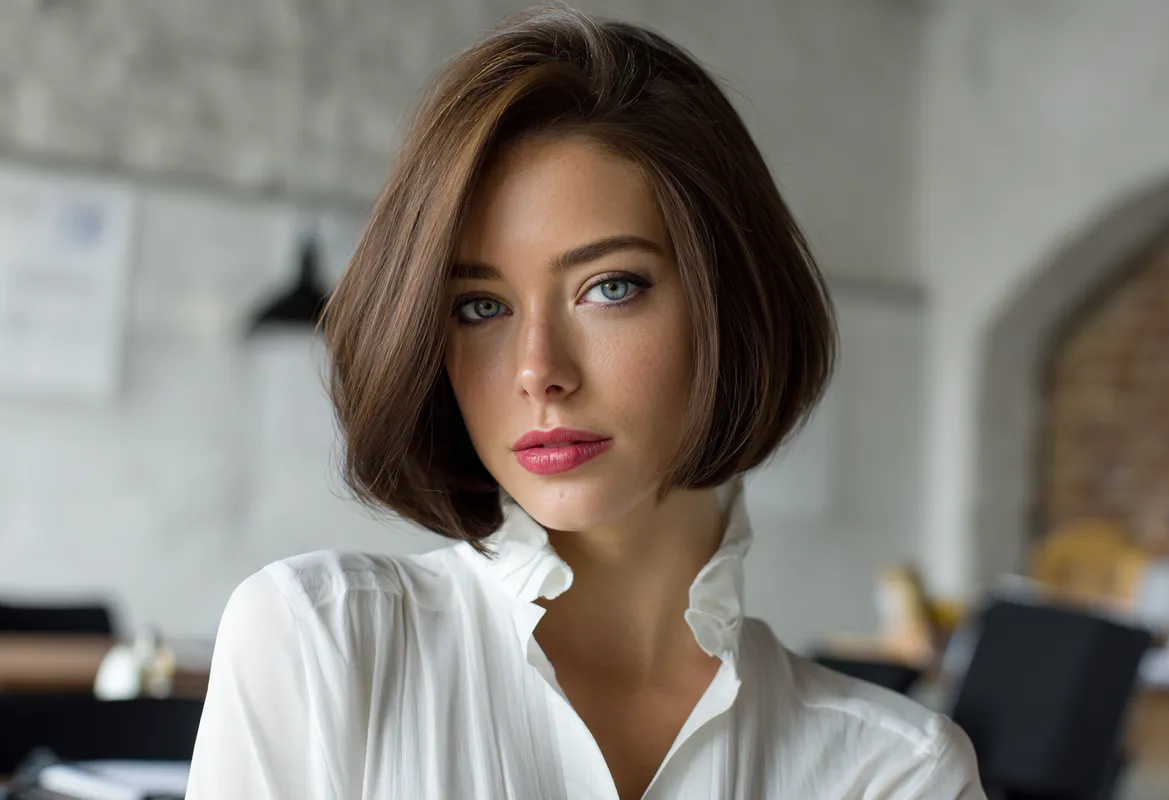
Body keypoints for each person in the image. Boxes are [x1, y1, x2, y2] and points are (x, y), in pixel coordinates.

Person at [186, 6, 983, 798]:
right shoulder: (319, 645)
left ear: (732, 306)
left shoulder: (892, 772)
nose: (539, 371)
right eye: (481, 307)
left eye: (609, 288)